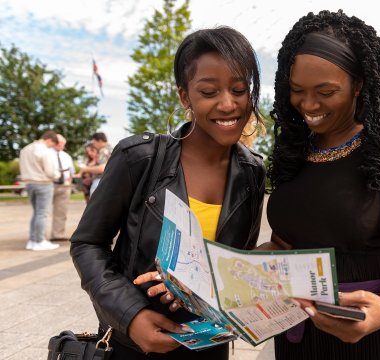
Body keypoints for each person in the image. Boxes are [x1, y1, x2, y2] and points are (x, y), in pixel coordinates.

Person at [70, 27, 266, 359]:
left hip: (209, 345)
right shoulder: (139, 157)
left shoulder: (252, 171)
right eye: (209, 91)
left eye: (239, 89)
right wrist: (131, 316)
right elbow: (88, 244)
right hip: (134, 344)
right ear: (185, 97)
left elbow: (235, 264)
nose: (228, 104)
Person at [262, 10, 380, 359]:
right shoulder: (294, 149)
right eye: (297, 91)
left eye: (326, 91)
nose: (309, 105)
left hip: (375, 333)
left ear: (358, 84)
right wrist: (229, 271)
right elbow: (284, 246)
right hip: (300, 337)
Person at [18, 130, 61, 251]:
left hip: (29, 183)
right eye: (52, 145)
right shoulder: (44, 150)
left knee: (36, 213)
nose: (51, 147)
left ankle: (32, 240)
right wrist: (57, 174)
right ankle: (40, 241)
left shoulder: (25, 149)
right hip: (43, 183)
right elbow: (50, 171)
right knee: (42, 213)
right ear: (49, 140)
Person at [51, 134, 75, 241]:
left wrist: (69, 181)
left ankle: (58, 234)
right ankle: (40, 237)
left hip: (64, 186)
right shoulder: (46, 154)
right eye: (59, 142)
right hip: (50, 185)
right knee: (44, 212)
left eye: (63, 143)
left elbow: (71, 172)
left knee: (61, 212)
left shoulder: (66, 156)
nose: (61, 145)